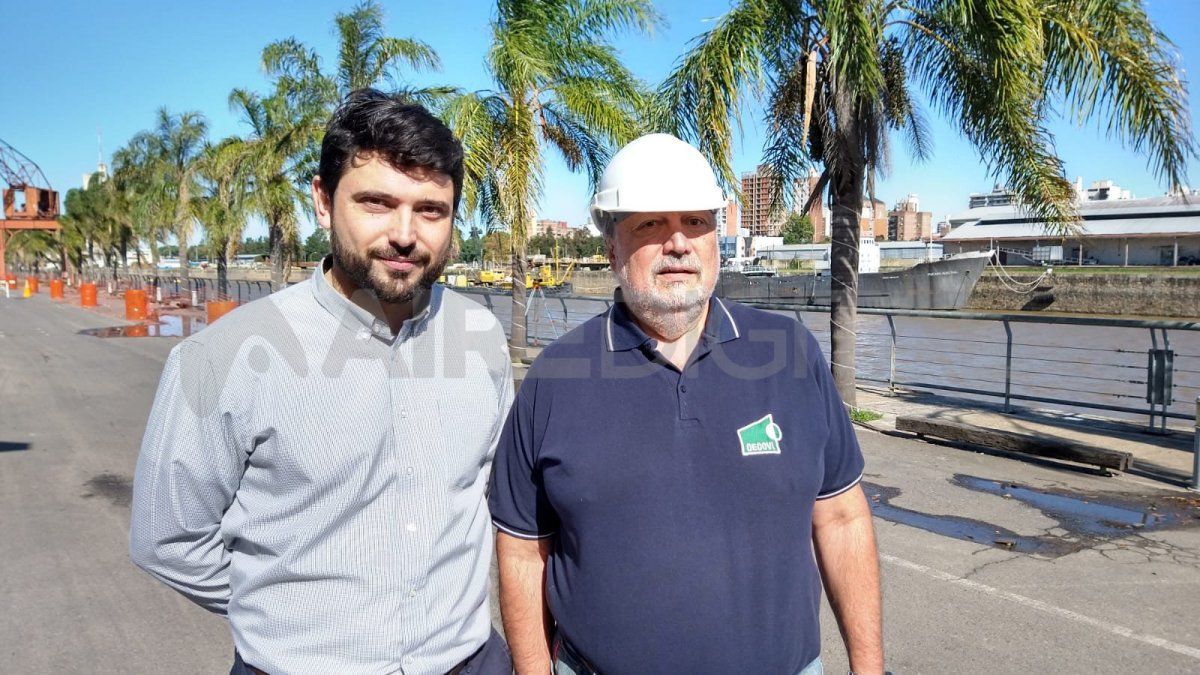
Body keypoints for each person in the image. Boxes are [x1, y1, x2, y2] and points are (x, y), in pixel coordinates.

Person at [130, 89, 513, 675]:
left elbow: (488, 493)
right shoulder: (222, 358)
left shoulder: (481, 336)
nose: (406, 233)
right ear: (323, 201)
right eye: (377, 203)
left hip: (468, 660)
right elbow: (168, 538)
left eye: (431, 209)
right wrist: (288, 613)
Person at [488, 134, 884, 674]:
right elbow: (520, 549)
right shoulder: (555, 378)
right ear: (611, 248)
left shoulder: (790, 354)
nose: (678, 242)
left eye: (695, 222)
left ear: (717, 236)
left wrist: (869, 667)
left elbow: (840, 517)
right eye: (649, 225)